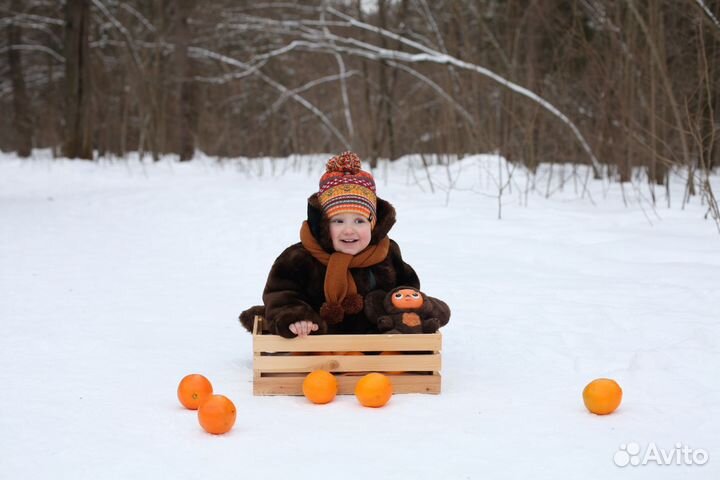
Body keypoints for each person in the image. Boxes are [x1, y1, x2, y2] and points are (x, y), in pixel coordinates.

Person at [239, 151, 444, 338]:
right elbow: (281, 294)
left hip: (375, 345)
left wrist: (404, 315)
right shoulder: (299, 258)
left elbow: (406, 290)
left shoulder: (386, 254)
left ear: (372, 224)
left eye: (359, 221)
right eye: (338, 221)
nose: (349, 230)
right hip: (317, 345)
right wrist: (297, 317)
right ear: (324, 225)